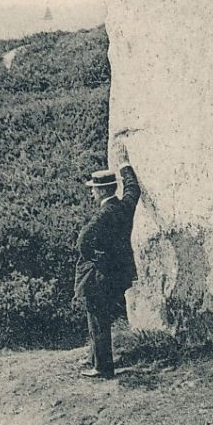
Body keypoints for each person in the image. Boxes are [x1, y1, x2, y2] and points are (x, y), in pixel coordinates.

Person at [73, 149, 140, 380]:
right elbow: (133, 188)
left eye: (93, 189)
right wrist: (125, 166)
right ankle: (97, 358)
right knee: (103, 317)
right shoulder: (125, 206)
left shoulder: (104, 214)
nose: (92, 193)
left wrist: (95, 258)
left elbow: (82, 240)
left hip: (102, 274)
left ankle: (101, 366)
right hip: (119, 272)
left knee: (97, 319)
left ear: (102, 190)